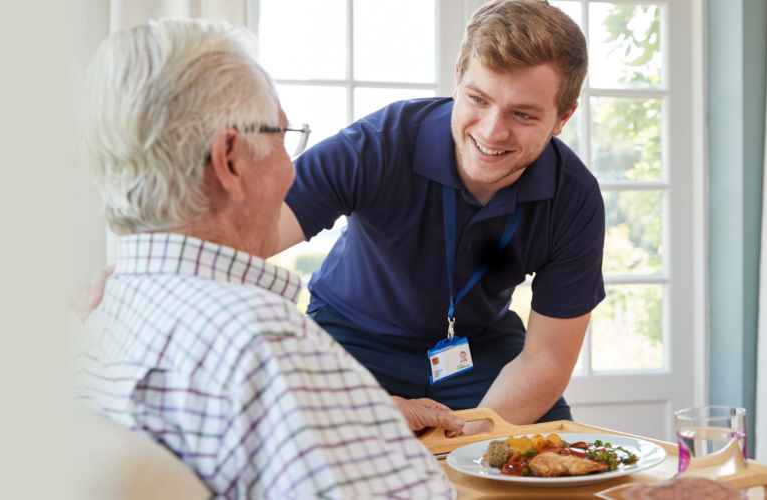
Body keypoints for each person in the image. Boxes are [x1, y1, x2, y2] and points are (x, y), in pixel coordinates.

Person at [74, 19, 457, 499]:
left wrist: (343, 413)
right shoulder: (261, 343)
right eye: (281, 137)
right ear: (230, 160)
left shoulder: (101, 318)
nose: (291, 171)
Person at [274, 0, 604, 435]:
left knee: (547, 455)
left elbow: (545, 359)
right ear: (458, 79)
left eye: (522, 114)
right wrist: (363, 409)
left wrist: (466, 442)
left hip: (478, 350)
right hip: (347, 340)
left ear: (563, 117)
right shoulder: (376, 146)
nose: (491, 131)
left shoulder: (575, 198)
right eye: (478, 99)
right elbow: (233, 241)